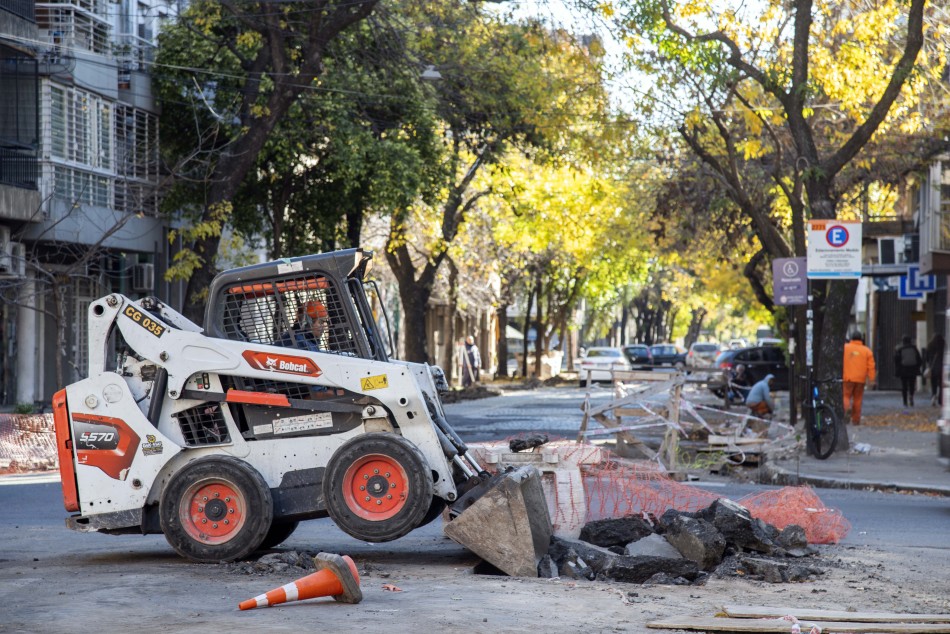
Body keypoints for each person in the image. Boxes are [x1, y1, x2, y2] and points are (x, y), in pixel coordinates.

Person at [843, 331, 876, 425]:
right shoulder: (866, 351)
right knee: (858, 399)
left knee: (846, 396)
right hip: (860, 379)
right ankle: (856, 420)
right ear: (861, 339)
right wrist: (871, 379)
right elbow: (871, 366)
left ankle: (847, 408)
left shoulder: (845, 348)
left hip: (847, 377)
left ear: (851, 338)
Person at [894, 334, 923, 408]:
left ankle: (905, 402)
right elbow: (919, 359)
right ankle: (911, 396)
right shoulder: (914, 348)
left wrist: (898, 369)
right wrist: (917, 367)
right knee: (912, 384)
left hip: (904, 370)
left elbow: (896, 360)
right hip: (913, 369)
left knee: (904, 386)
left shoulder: (900, 349)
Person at [925, 332, 945, 407]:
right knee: (941, 385)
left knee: (933, 384)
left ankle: (933, 396)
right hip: (942, 368)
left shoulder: (930, 346)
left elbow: (927, 358)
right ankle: (940, 399)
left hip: (933, 368)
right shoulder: (943, 346)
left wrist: (929, 364)